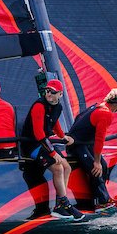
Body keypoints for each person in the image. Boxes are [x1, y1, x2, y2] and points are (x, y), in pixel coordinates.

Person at [18, 79, 83, 221]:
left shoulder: (58, 107)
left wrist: (63, 136)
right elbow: (38, 134)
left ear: (60, 94)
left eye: (52, 92)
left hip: (43, 143)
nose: (48, 94)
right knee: (58, 168)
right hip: (31, 145)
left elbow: (55, 123)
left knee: (67, 167)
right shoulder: (39, 106)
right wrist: (53, 153)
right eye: (47, 91)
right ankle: (65, 204)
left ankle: (60, 204)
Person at [66, 88, 117, 210]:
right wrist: (96, 162)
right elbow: (99, 140)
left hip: (84, 142)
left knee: (103, 166)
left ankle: (101, 199)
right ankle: (102, 202)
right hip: (77, 145)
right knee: (96, 168)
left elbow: (79, 117)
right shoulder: (106, 113)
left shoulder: (98, 106)